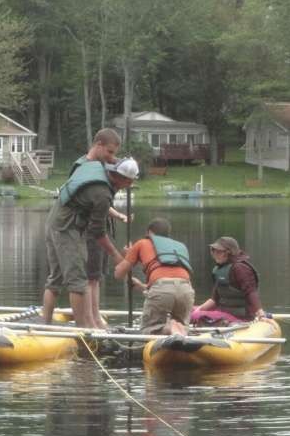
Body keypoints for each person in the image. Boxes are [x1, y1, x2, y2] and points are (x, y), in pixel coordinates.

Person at [42, 150, 139, 329]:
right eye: (128, 182)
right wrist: (117, 257)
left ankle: (44, 325)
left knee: (56, 278)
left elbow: (92, 157)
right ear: (121, 178)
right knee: (79, 281)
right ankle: (84, 332)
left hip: (54, 222)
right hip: (67, 229)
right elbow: (98, 232)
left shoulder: (92, 168)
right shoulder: (102, 192)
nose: (129, 185)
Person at [68, 129, 129, 329]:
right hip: (88, 231)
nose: (112, 158)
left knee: (97, 278)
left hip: (102, 228)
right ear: (99, 144)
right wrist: (115, 254)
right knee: (89, 277)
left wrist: (118, 215)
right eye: (110, 152)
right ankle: (90, 321)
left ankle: (96, 316)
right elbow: (93, 201)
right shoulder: (84, 167)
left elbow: (101, 203)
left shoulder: (101, 165)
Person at [114, 217, 194, 336]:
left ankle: (169, 328)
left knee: (149, 330)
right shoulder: (180, 246)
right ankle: (177, 328)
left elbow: (118, 274)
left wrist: (129, 255)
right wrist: (141, 286)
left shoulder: (142, 243)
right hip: (186, 289)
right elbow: (172, 280)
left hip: (162, 288)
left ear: (149, 232)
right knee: (182, 327)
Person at [193, 236, 265, 324]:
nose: (215, 254)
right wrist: (198, 310)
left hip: (241, 316)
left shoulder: (240, 268)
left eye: (219, 251)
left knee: (194, 316)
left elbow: (251, 292)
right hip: (224, 313)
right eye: (213, 250)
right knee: (188, 311)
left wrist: (260, 313)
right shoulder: (218, 270)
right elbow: (215, 299)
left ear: (229, 253)